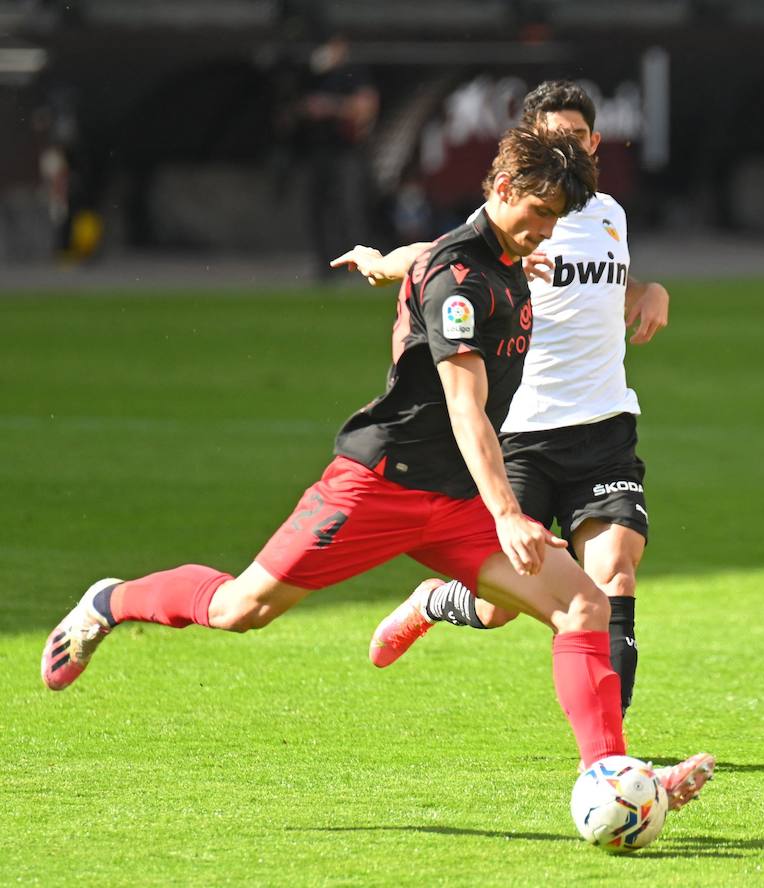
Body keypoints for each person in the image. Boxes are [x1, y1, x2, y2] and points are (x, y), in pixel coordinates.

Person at [39, 126, 714, 808]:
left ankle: (610, 777)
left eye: (556, 221)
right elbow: (463, 403)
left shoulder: (506, 260)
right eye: (538, 214)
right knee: (241, 608)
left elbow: (425, 260)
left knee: (583, 604)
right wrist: (509, 512)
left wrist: (384, 261)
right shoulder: (459, 277)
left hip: (454, 505)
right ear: (503, 188)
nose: (546, 232)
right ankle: (110, 601)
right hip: (379, 486)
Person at [332, 81, 671, 718]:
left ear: (594, 142)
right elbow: (438, 257)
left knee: (615, 579)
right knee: (495, 609)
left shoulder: (609, 215)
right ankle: (435, 601)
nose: (564, 150)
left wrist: (650, 291)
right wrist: (380, 264)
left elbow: (598, 294)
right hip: (521, 435)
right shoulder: (519, 221)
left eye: (574, 138)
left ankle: (610, 762)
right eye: (550, 140)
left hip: (603, 431)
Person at [299, 34, 378, 281]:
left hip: (347, 152)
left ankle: (363, 265)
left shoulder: (353, 74)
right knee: (317, 210)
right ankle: (326, 266)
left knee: (350, 209)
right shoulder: (314, 77)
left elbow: (366, 108)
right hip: (319, 152)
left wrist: (330, 107)